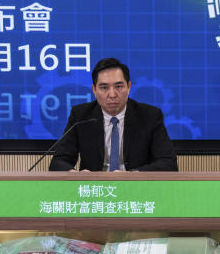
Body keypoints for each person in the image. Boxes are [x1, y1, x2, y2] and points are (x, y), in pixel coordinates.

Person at [48, 57, 178, 171]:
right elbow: (58, 162)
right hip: (94, 190)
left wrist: (132, 175)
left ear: (129, 87)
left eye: (119, 87)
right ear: (94, 90)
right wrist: (75, 175)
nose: (112, 94)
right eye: (104, 88)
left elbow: (168, 163)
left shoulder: (150, 116)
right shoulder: (81, 116)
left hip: (136, 188)